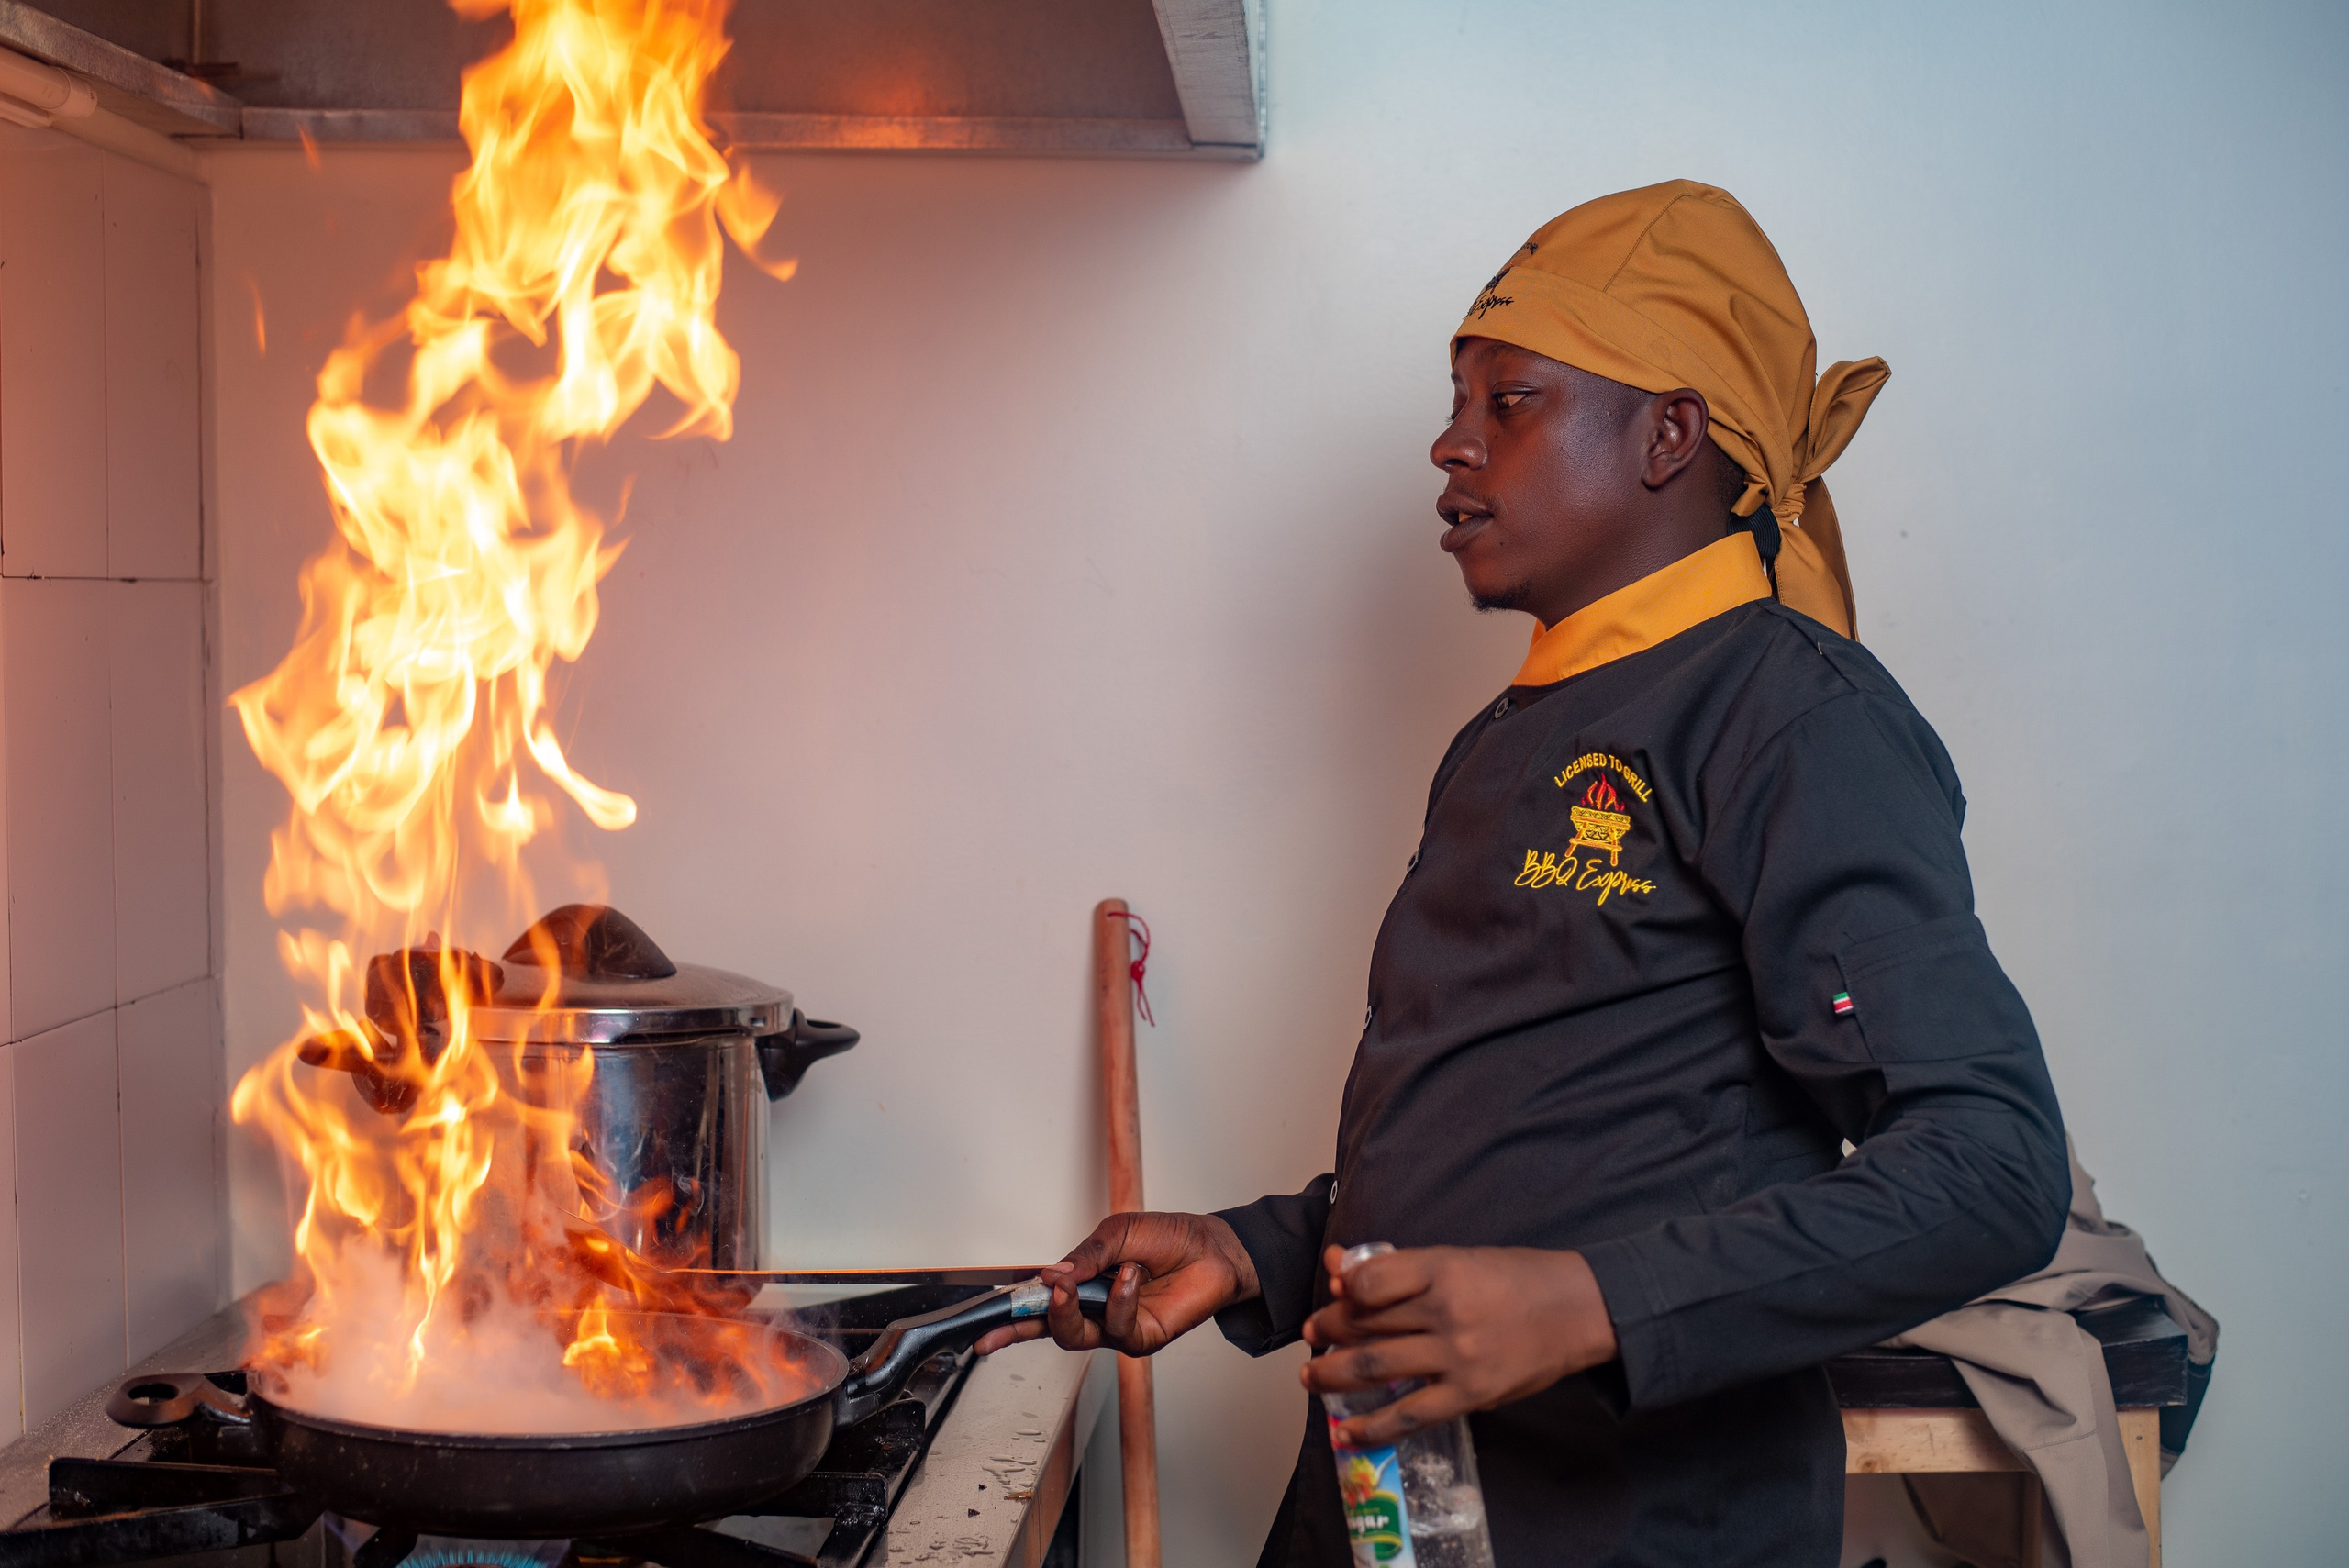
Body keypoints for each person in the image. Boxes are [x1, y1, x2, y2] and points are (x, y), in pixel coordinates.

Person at [975, 180, 2071, 1566]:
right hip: (1400, 1510)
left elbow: (1995, 1164)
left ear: (1671, 432)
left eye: (1513, 401)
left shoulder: (1792, 717)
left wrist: (1588, 1305)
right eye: (1458, 398)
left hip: (1630, 1524)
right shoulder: (1509, 734)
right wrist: (1257, 1249)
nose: (1449, 443)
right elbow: (1545, 1135)